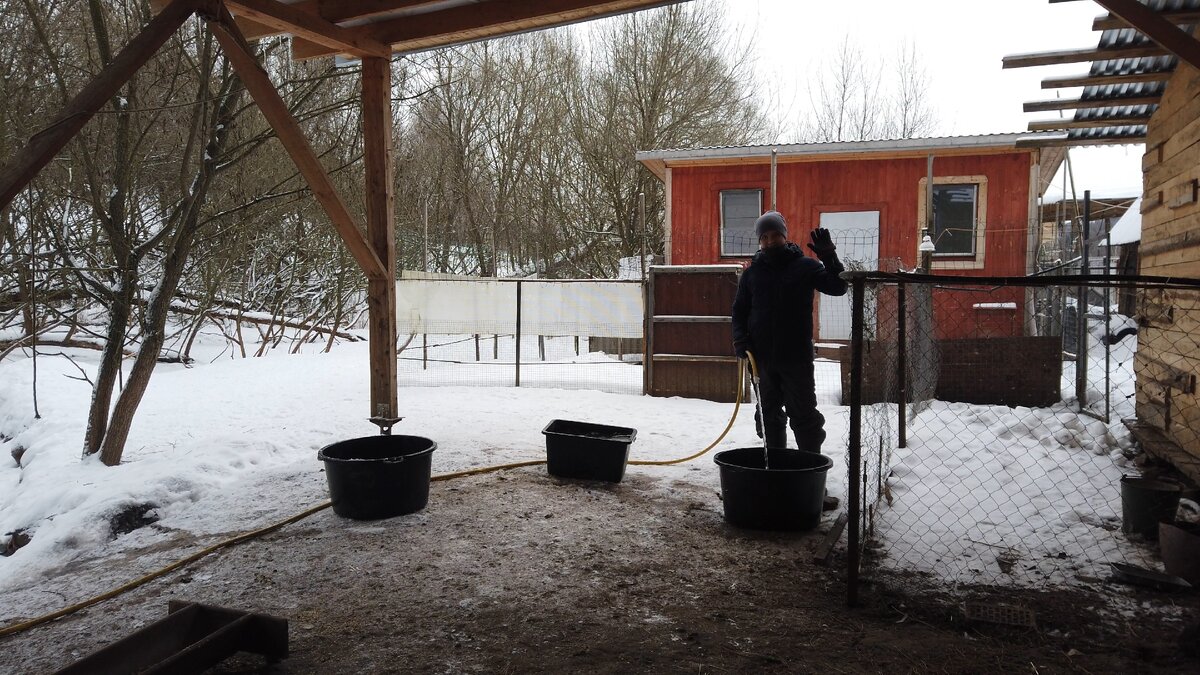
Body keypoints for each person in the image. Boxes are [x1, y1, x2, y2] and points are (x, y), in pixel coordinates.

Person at [731, 210, 847, 456]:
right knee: (768, 415)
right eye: (764, 237)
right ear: (759, 240)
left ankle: (809, 469)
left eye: (775, 235)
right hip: (761, 358)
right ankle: (776, 466)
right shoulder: (752, 273)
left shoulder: (805, 266)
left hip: (796, 358)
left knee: (803, 415)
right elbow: (740, 310)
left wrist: (829, 255)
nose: (770, 241)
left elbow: (838, 287)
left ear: (785, 236)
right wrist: (740, 339)